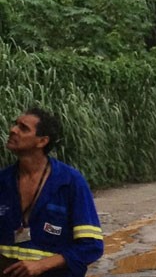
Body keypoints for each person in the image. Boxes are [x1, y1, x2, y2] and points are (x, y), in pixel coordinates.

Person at [0, 108, 104, 277]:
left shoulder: (70, 182)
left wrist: (41, 265)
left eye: (23, 128)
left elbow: (91, 246)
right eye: (15, 124)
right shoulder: (3, 181)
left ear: (42, 141)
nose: (13, 130)